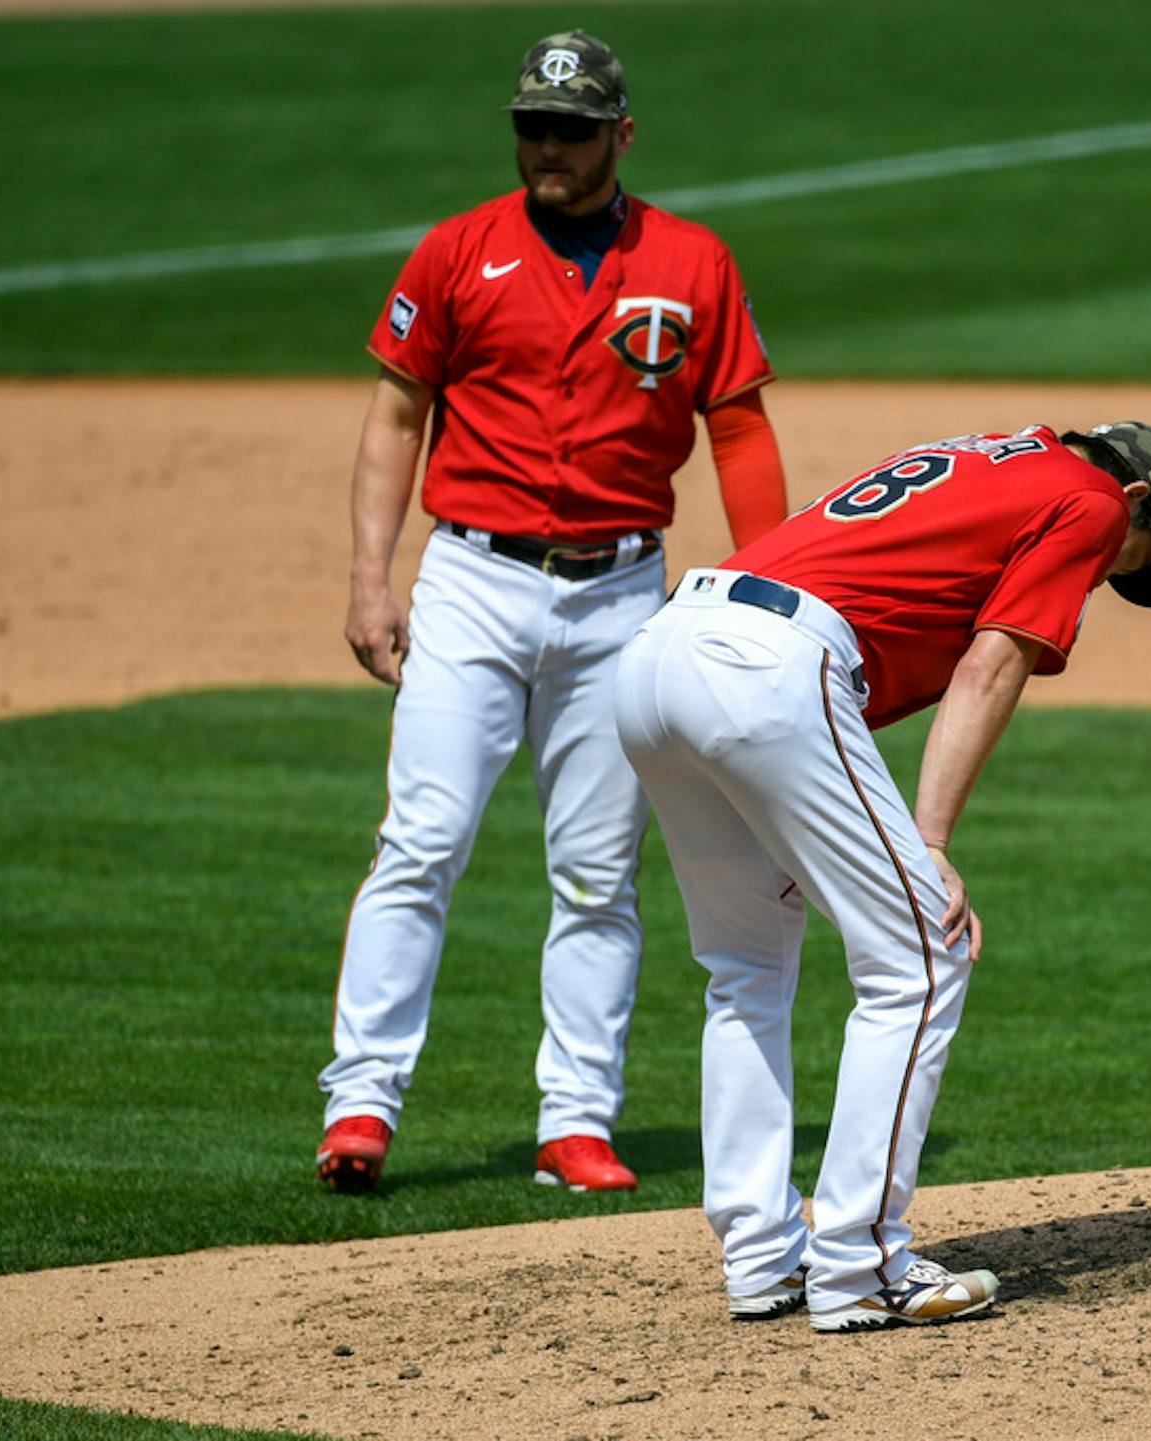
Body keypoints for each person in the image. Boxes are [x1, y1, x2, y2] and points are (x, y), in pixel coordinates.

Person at [316, 29, 789, 1195]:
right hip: (473, 582)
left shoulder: (693, 261)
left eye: (574, 132)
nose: (550, 150)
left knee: (594, 870)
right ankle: (361, 1105)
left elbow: (738, 426)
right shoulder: (457, 252)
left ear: (621, 135)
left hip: (624, 594)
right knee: (421, 840)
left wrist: (778, 582)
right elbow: (395, 415)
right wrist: (372, 577)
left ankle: (576, 1119)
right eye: (534, 127)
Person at [613, 420, 1151, 1329]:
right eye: (1131, 556)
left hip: (663, 651)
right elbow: (991, 664)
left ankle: (763, 1258)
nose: (1109, 571)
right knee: (923, 952)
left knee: (746, 968)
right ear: (1134, 501)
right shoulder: (1087, 501)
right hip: (769, 666)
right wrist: (928, 841)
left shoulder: (992, 460)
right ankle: (862, 1263)